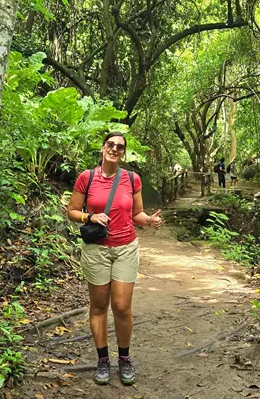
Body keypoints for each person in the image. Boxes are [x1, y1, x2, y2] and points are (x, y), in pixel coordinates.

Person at [66, 131, 163, 386]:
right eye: (110, 144)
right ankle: (102, 360)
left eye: (120, 147)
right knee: (99, 306)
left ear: (123, 153)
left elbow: (136, 214)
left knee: (121, 307)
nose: (114, 149)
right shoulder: (87, 178)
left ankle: (124, 358)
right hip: (96, 249)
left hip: (125, 248)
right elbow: (71, 211)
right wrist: (90, 216)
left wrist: (149, 221)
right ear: (102, 148)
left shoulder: (131, 179)